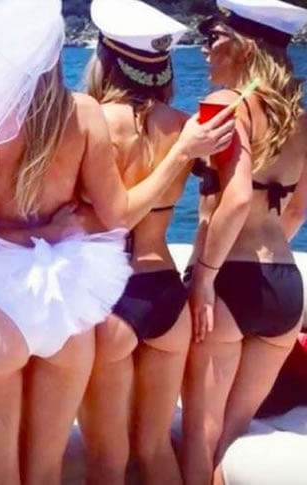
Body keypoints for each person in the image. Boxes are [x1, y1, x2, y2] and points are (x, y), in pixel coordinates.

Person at [0, 0, 235, 482]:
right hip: (68, 301)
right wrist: (49, 229)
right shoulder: (84, 111)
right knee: (47, 471)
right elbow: (115, 215)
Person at [181, 1, 307, 483]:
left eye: (214, 37)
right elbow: (296, 210)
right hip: (284, 286)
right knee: (231, 439)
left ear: (243, 46)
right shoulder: (299, 119)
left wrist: (205, 279)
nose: (206, 48)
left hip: (229, 284)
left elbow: (234, 201)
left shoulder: (228, 106)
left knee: (201, 435)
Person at [76, 1, 192, 484]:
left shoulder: (89, 121)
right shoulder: (184, 125)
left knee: (107, 458)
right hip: (167, 292)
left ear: (105, 58)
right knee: (155, 447)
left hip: (111, 296)